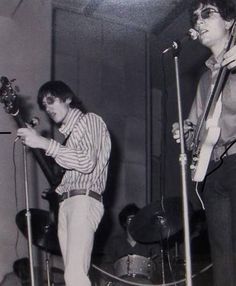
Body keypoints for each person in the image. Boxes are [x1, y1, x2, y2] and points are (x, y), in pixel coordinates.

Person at [17, 80, 111, 286]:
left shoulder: (90, 121)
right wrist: (55, 190)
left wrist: (43, 143)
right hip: (68, 203)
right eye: (44, 105)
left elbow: (87, 162)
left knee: (75, 275)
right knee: (72, 277)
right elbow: (72, 170)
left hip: (84, 200)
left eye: (51, 100)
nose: (48, 108)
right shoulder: (68, 138)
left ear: (68, 98)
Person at [172, 1, 236, 285]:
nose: (198, 20)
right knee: (222, 253)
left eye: (207, 13)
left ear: (230, 21)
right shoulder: (204, 79)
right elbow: (198, 130)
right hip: (213, 171)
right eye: (196, 15)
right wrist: (185, 131)